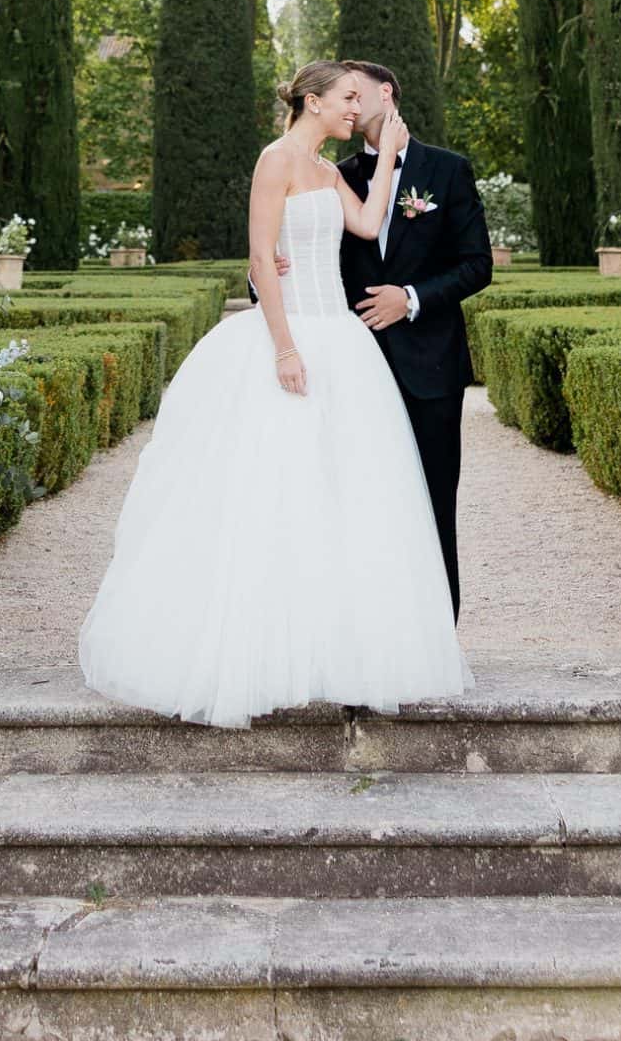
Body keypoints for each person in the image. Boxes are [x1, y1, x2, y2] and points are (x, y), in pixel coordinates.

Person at [77, 61, 471, 729]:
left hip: (342, 345)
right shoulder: (276, 161)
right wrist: (284, 347)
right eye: (347, 99)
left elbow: (371, 227)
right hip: (291, 340)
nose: (356, 109)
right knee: (271, 495)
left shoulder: (329, 172)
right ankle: (258, 653)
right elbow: (262, 259)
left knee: (342, 500)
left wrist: (388, 163)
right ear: (312, 102)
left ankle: (330, 651)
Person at [319, 62, 492, 616]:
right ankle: (370, 632)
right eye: (339, 95)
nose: (347, 102)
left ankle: (439, 631)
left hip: (431, 368)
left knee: (434, 499)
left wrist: (411, 298)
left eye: (355, 91)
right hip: (355, 366)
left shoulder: (447, 171)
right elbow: (317, 261)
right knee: (360, 502)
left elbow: (476, 265)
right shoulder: (336, 176)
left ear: (385, 92)